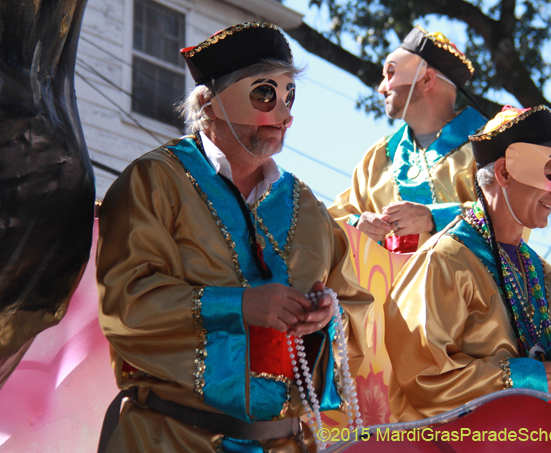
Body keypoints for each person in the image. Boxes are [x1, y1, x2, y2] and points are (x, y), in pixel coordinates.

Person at [97, 22, 372, 453]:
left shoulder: (310, 209)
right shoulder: (154, 181)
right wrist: (239, 306)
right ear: (208, 102)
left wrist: (327, 318)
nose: (284, 114)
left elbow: (355, 309)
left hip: (286, 444)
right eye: (264, 93)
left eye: (288, 95)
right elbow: (125, 303)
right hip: (169, 439)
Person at [384, 106, 551, 421]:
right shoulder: (443, 261)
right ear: (504, 173)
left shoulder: (550, 277)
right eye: (550, 173)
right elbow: (423, 379)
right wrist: (530, 377)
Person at [328, 26, 486, 253]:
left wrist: (434, 218)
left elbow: (511, 220)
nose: (382, 88)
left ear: (426, 79)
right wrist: (355, 226)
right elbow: (331, 222)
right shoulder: (379, 157)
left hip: (463, 286)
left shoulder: (489, 144)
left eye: (390, 73)